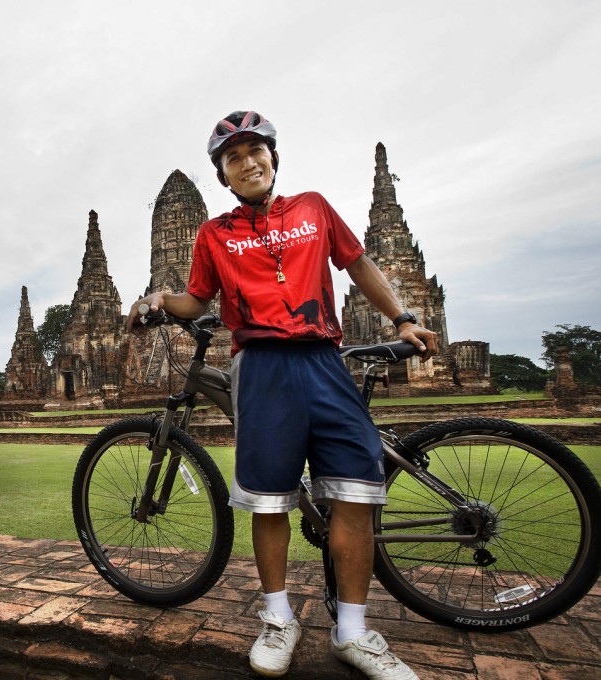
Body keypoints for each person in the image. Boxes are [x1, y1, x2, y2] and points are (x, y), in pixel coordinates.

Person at [126, 111, 439, 679]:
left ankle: (353, 631)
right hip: (262, 366)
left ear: (273, 157)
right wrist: (156, 300)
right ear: (223, 174)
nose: (248, 163)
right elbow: (197, 302)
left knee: (354, 496)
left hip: (323, 360)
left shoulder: (313, 208)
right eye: (233, 157)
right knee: (267, 500)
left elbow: (357, 262)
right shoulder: (214, 234)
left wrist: (402, 318)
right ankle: (277, 618)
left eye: (256, 152)